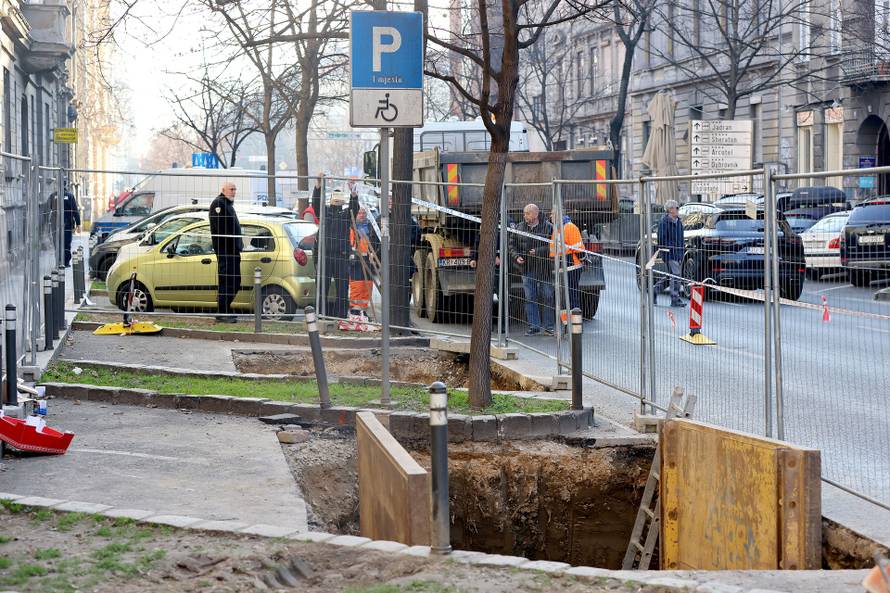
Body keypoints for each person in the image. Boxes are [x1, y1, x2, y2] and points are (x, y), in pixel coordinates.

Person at [510, 203, 554, 336]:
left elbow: (553, 246)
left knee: (547, 296)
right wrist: (516, 256)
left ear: (535, 214)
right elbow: (512, 245)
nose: (525, 216)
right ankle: (534, 326)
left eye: (527, 213)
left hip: (544, 267)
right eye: (524, 213)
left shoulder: (548, 227)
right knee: (530, 298)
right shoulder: (519, 227)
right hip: (527, 268)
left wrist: (538, 251)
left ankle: (548, 327)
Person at [321, 184, 359, 318]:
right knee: (322, 288)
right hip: (325, 257)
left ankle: (341, 316)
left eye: (339, 199)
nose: (336, 201)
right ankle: (321, 314)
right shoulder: (325, 212)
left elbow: (354, 209)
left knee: (342, 289)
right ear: (330, 199)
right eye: (334, 198)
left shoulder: (345, 214)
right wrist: (318, 187)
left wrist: (353, 196)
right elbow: (315, 205)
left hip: (341, 257)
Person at [209, 182, 243, 323]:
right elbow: (222, 229)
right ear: (223, 190)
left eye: (235, 189)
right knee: (227, 281)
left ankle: (225, 309)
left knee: (235, 281)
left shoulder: (228, 204)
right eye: (231, 189)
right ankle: (222, 312)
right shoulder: (219, 204)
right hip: (225, 251)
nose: (233, 192)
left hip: (233, 251)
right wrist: (231, 245)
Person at [550, 211, 585, 315]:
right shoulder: (558, 228)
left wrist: (583, 260)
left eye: (552, 214)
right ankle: (568, 324)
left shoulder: (570, 227)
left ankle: (575, 324)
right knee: (566, 297)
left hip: (571, 266)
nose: (550, 216)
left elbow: (577, 248)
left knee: (571, 295)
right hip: (563, 266)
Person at [653, 199, 685, 307]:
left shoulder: (678, 222)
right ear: (670, 210)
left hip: (678, 252)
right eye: (677, 208)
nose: (678, 210)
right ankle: (675, 299)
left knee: (671, 276)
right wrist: (667, 250)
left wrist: (681, 251)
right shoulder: (664, 222)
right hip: (670, 253)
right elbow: (661, 239)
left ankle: (654, 291)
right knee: (675, 275)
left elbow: (680, 239)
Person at [348, 205, 378, 317]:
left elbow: (375, 243)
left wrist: (374, 254)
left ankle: (363, 310)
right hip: (355, 260)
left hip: (368, 260)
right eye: (359, 213)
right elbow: (348, 244)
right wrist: (352, 255)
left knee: (367, 285)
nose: (362, 215)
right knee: (357, 285)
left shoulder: (370, 227)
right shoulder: (351, 228)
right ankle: (355, 310)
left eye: (364, 213)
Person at [63, 186, 81, 267]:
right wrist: (78, 224)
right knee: (67, 243)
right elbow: (75, 210)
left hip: (55, 225)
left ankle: (59, 261)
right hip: (67, 224)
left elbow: (47, 209)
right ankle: (66, 262)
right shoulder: (70, 196)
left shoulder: (53, 195)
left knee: (57, 243)